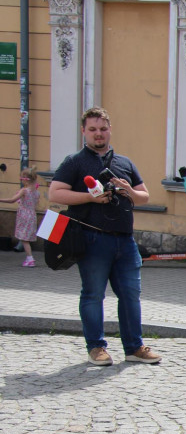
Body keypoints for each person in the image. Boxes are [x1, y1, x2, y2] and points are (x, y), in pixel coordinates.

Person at [48, 107, 160, 366]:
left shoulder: (124, 162)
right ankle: (96, 347)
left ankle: (134, 347)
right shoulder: (74, 162)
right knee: (93, 294)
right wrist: (90, 197)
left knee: (131, 294)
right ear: (84, 132)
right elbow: (54, 193)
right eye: (93, 130)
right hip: (92, 239)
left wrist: (128, 190)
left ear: (110, 130)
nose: (98, 134)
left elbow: (145, 197)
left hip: (125, 240)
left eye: (102, 129)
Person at [1, 167, 40, 267]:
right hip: (32, 215)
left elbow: (12, 200)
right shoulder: (36, 192)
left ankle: (30, 258)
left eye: (21, 179)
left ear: (25, 179)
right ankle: (29, 257)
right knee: (25, 238)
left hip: (24, 215)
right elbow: (33, 203)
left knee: (24, 239)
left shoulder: (24, 191)